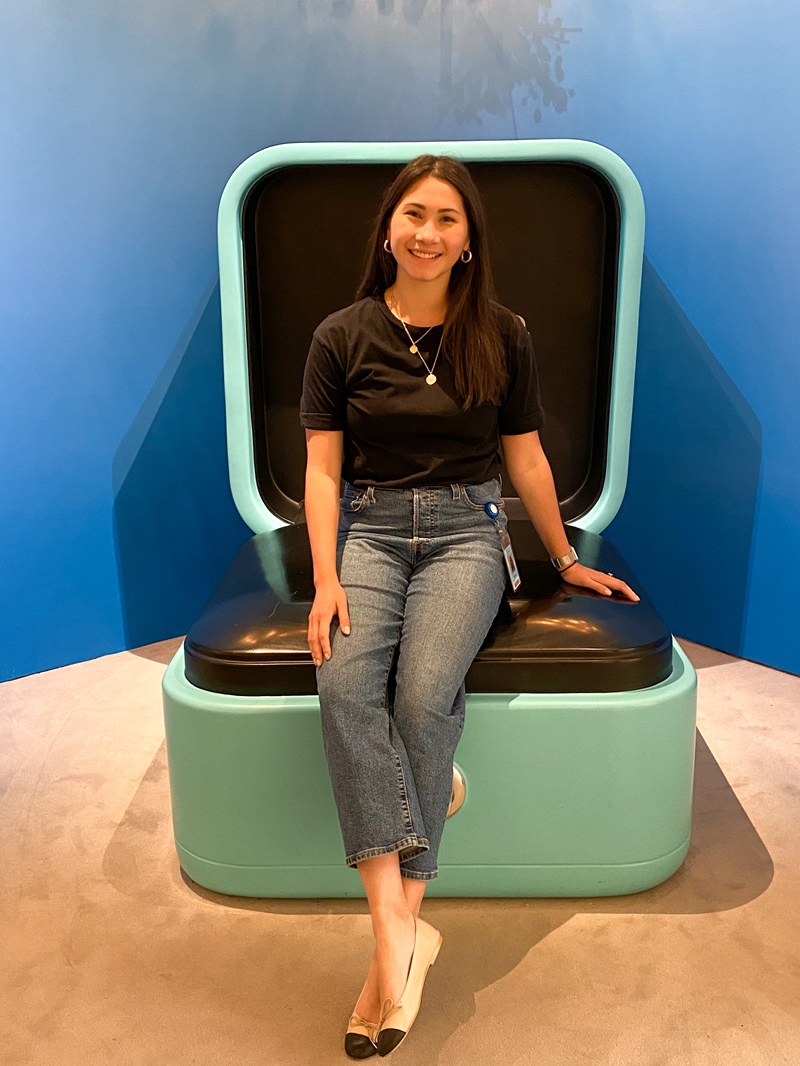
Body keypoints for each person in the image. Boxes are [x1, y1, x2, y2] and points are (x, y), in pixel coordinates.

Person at [299, 155, 639, 1059]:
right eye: (414, 214)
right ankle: (399, 934)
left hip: (466, 532)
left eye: (447, 219)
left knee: (422, 698)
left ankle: (395, 942)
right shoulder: (341, 335)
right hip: (371, 531)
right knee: (343, 686)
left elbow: (524, 456)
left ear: (468, 240)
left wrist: (566, 559)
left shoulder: (504, 333)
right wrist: (327, 576)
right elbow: (323, 469)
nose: (428, 232)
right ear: (388, 230)